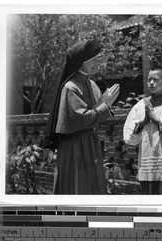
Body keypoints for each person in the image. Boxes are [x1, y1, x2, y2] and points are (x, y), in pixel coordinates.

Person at [44, 39, 120, 194]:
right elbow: (82, 119)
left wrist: (106, 103)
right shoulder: (70, 87)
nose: (97, 62)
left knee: (92, 187)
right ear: (82, 61)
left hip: (90, 143)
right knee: (77, 186)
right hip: (75, 145)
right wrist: (105, 104)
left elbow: (96, 113)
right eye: (94, 58)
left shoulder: (91, 84)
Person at [123, 66, 162, 194]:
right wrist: (143, 121)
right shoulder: (140, 106)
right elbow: (129, 135)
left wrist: (157, 120)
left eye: (155, 79)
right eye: (149, 79)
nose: (151, 83)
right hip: (148, 156)